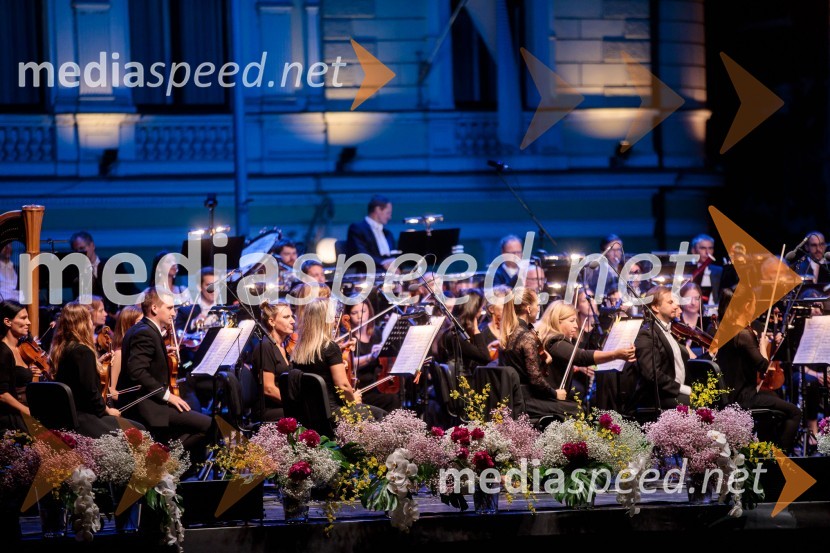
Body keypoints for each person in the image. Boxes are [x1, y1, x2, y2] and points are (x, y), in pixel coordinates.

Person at [117, 287, 212, 457]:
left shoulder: (144, 329)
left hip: (151, 403)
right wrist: (168, 396)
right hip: (147, 407)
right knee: (208, 425)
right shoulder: (145, 332)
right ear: (154, 308)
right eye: (169, 308)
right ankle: (164, 459)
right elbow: (137, 371)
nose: (174, 313)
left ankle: (166, 460)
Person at [715, 287, 802, 454]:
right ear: (747, 306)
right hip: (743, 398)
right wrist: (762, 343)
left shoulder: (726, 329)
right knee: (795, 412)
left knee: (773, 398)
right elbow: (763, 368)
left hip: (731, 395)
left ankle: (767, 450)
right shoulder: (743, 334)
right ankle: (779, 458)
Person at [51, 302, 143, 437]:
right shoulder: (83, 351)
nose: (91, 323)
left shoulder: (63, 349)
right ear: (83, 323)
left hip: (68, 416)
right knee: (140, 430)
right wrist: (108, 410)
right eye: (89, 319)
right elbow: (91, 392)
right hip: (85, 418)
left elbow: (76, 379)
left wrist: (95, 365)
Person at [291, 297, 384, 419]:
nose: (336, 321)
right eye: (333, 317)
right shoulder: (330, 347)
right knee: (382, 416)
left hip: (312, 414)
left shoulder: (299, 349)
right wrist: (353, 401)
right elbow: (343, 386)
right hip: (335, 413)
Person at [537, 301, 635, 409]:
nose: (576, 325)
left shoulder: (550, 338)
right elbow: (581, 356)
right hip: (549, 400)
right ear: (557, 321)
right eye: (572, 321)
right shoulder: (554, 341)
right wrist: (615, 354)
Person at [498, 288, 565, 421]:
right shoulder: (527, 336)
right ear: (528, 309)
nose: (539, 308)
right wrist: (555, 393)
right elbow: (535, 380)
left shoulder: (509, 334)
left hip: (512, 397)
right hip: (525, 400)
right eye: (537, 305)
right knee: (575, 408)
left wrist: (544, 361)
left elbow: (520, 367)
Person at [631, 286, 690, 410]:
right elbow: (652, 374)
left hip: (674, 392)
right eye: (670, 302)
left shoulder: (672, 330)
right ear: (655, 307)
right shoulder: (647, 334)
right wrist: (682, 389)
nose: (675, 306)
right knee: (695, 403)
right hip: (658, 397)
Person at [346, 298, 401, 412]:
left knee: (398, 394)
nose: (359, 316)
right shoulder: (348, 337)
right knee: (392, 399)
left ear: (370, 312)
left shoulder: (377, 333)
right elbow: (350, 362)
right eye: (354, 313)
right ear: (349, 316)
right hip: (361, 389)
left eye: (363, 311)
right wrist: (370, 356)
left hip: (378, 382)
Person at [70, 231, 138, 314]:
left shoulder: (113, 264)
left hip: (118, 315)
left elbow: (130, 289)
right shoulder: (77, 273)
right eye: (76, 251)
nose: (80, 253)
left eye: (82, 248)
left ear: (92, 245)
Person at [251, 301, 294, 421]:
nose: (292, 321)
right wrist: (295, 404)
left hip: (281, 405)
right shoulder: (265, 346)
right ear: (271, 321)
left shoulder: (283, 346)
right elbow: (268, 389)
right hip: (268, 410)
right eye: (286, 317)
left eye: (292, 316)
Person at [0, 301, 39, 431]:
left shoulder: (20, 348)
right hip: (13, 418)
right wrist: (29, 412)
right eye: (23, 318)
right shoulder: (3, 351)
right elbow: (2, 394)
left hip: (25, 410)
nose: (28, 322)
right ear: (7, 322)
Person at [438, 289, 491, 378]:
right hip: (462, 384)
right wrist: (476, 330)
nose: (481, 310)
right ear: (473, 309)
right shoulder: (457, 335)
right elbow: (485, 358)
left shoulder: (453, 330)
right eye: (480, 307)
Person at [345, 195, 396, 268]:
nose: (390, 217)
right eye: (388, 213)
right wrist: (383, 264)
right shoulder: (357, 229)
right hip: (368, 273)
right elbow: (361, 255)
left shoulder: (388, 233)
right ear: (378, 210)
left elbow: (393, 254)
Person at [109, 305, 143, 401]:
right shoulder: (119, 354)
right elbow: (111, 391)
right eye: (139, 323)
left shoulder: (138, 350)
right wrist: (133, 401)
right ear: (128, 326)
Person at [175, 267, 217, 333]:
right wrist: (194, 323)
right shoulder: (186, 311)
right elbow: (177, 332)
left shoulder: (227, 307)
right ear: (199, 287)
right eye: (209, 285)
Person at [586, 234, 624, 302]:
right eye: (612, 250)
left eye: (618, 249)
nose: (616, 253)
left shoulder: (625, 267)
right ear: (603, 252)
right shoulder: (596, 270)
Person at [690, 234, 722, 304]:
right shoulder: (687, 271)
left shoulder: (719, 271)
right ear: (693, 250)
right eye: (703, 248)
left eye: (710, 248)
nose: (707, 252)